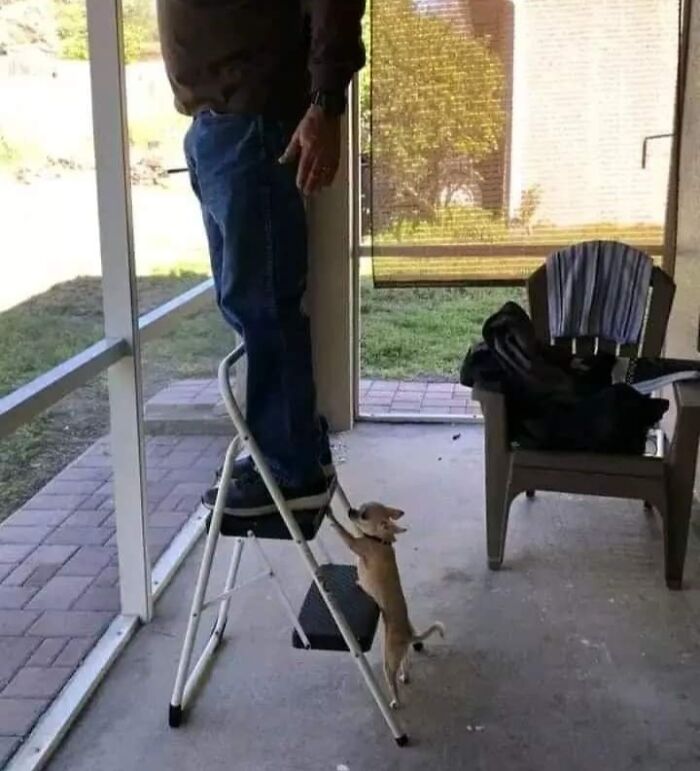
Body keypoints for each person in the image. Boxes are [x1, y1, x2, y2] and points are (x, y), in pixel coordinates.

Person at [156, 0, 366, 517]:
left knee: (263, 303)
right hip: (219, 124)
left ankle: (290, 468)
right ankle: (293, 445)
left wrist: (325, 103)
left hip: (252, 120)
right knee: (250, 304)